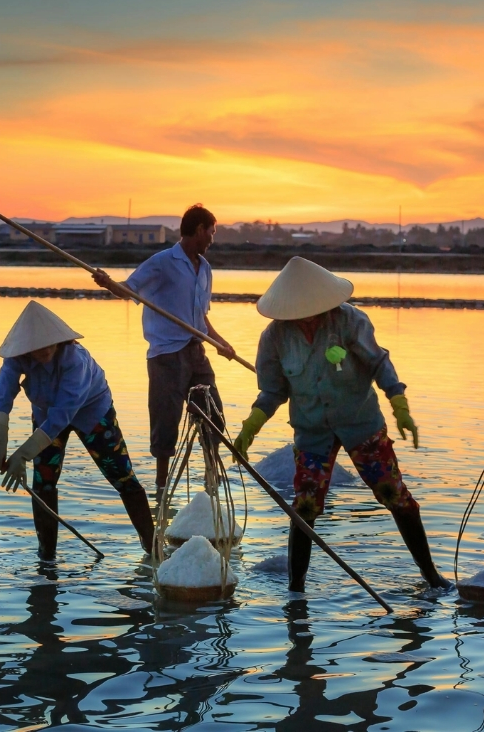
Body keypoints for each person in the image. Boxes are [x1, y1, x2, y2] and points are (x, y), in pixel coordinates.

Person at [231, 257, 451, 591]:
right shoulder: (274, 337)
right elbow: (273, 391)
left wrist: (398, 401)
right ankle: (296, 588)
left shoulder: (350, 322)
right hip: (312, 431)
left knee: (395, 496)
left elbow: (379, 363)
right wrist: (252, 425)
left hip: (360, 422)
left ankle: (431, 575)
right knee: (304, 507)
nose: (305, 320)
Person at [0, 301, 155, 559]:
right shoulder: (16, 358)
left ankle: (152, 546)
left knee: (123, 478)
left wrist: (23, 453)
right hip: (45, 413)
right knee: (43, 483)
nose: (44, 351)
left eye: (49, 344)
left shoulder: (75, 360)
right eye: (37, 347)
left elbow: (62, 415)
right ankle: (46, 554)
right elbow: (3, 393)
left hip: (92, 413)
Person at [92, 204, 235, 490]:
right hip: (167, 355)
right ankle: (161, 485)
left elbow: (200, 318)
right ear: (198, 230)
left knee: (213, 414)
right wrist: (108, 284)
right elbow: (130, 288)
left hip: (197, 352)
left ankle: (211, 475)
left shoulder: (205, 268)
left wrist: (220, 342)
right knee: (165, 421)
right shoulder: (162, 262)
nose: (212, 238)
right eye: (211, 232)